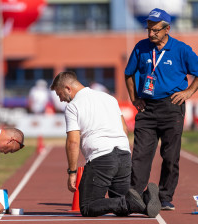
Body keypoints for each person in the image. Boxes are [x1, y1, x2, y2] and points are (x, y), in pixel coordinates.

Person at [125, 8, 198, 211]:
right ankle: (134, 195)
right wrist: (134, 98)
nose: (150, 33)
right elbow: (129, 74)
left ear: (167, 29)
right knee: (140, 155)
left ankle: (164, 197)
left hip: (172, 107)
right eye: (149, 29)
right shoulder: (140, 47)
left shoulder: (181, 49)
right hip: (147, 108)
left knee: (170, 156)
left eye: (155, 30)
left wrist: (189, 92)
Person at [50, 71, 161, 218]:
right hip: (124, 154)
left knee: (88, 206)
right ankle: (145, 202)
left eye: (60, 94)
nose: (61, 99)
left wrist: (72, 172)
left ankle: (130, 204)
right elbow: (124, 129)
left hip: (101, 157)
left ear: (67, 88)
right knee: (122, 204)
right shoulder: (109, 98)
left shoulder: (73, 106)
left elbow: (73, 142)